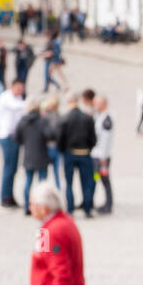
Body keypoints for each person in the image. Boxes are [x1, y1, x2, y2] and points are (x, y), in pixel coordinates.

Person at [57, 90, 98, 218]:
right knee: (86, 182)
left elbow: (60, 139)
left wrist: (63, 150)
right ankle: (87, 208)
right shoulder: (87, 117)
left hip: (70, 153)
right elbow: (93, 139)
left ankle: (70, 208)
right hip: (85, 153)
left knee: (69, 183)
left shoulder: (65, 118)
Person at [14, 97, 53, 215]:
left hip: (28, 155)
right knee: (42, 183)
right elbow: (50, 135)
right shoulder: (42, 121)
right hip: (41, 155)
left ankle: (28, 206)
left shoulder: (23, 121)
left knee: (28, 182)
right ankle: (42, 206)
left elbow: (17, 137)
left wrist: (25, 142)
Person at [0, 78, 27, 208]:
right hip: (7, 136)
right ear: (12, 87)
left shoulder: (18, 98)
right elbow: (18, 107)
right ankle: (5, 196)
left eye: (22, 89)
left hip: (15, 136)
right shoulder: (5, 97)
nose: (21, 91)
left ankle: (10, 195)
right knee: (9, 167)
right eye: (18, 89)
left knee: (13, 168)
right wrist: (31, 104)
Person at [91, 95, 114, 214]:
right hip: (97, 155)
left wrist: (103, 158)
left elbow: (105, 140)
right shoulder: (100, 117)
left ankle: (108, 204)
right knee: (96, 178)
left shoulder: (106, 119)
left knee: (105, 180)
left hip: (101, 157)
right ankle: (96, 200)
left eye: (96, 104)